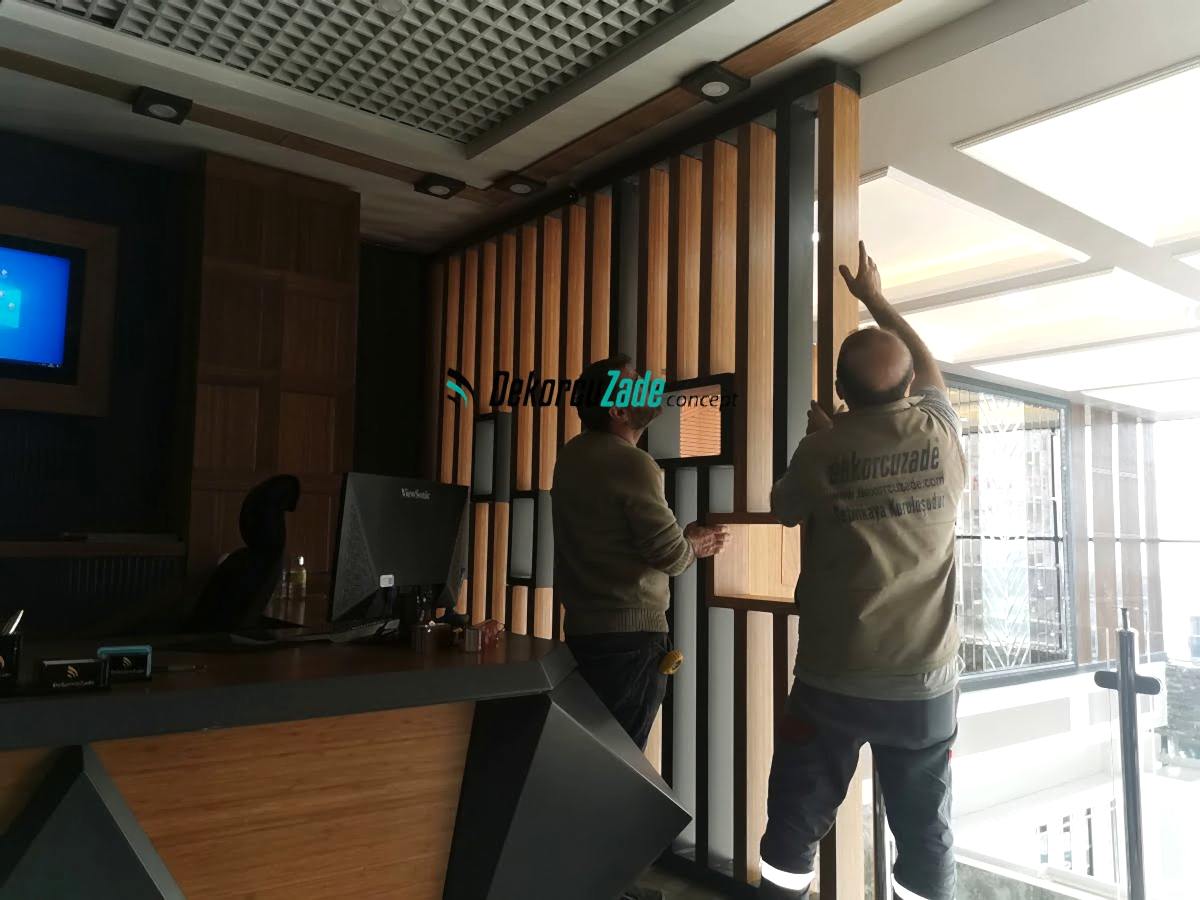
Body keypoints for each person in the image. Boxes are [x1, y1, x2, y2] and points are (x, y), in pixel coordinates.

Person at [758, 242, 966, 900]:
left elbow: (784, 508)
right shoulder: (943, 434)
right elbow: (929, 367)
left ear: (841, 393)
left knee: (794, 824)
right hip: (923, 683)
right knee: (925, 834)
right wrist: (876, 299)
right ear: (909, 390)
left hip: (832, 678)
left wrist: (824, 438)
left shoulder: (821, 448)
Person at [553, 354, 729, 751]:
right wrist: (695, 543)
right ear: (617, 410)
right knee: (620, 761)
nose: (649, 386)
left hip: (585, 633)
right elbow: (671, 556)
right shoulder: (632, 462)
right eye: (635, 383)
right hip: (630, 640)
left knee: (594, 756)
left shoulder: (572, 455)